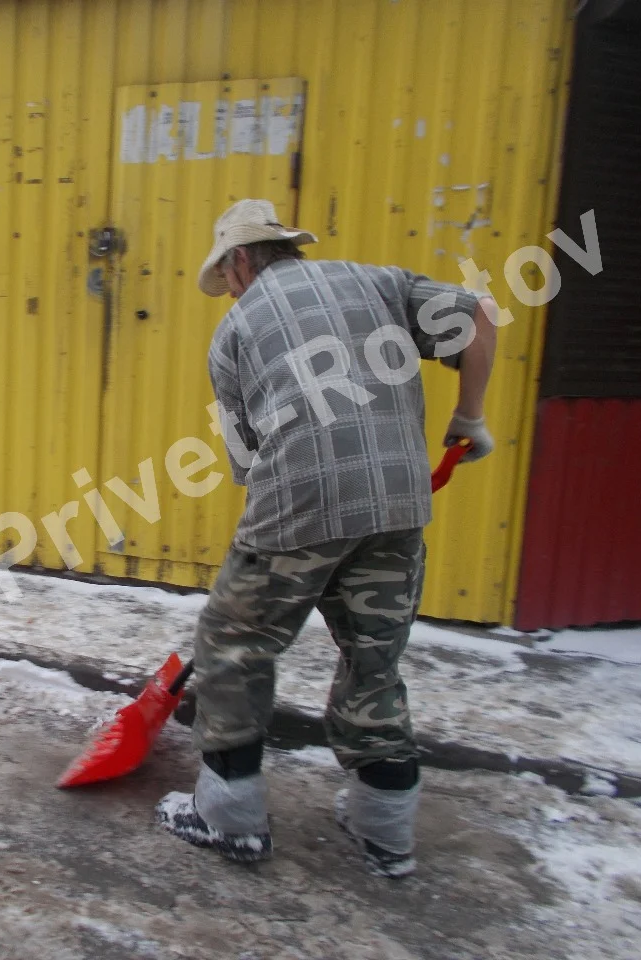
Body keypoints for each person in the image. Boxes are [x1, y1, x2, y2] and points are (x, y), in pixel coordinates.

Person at [153, 198, 497, 879]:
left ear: (242, 258)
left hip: (298, 505)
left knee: (232, 644)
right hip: (397, 504)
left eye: (226, 274)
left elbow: (249, 465)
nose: (229, 288)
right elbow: (480, 318)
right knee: (374, 659)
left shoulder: (234, 334)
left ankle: (229, 818)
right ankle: (385, 834)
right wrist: (468, 416)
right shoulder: (380, 282)